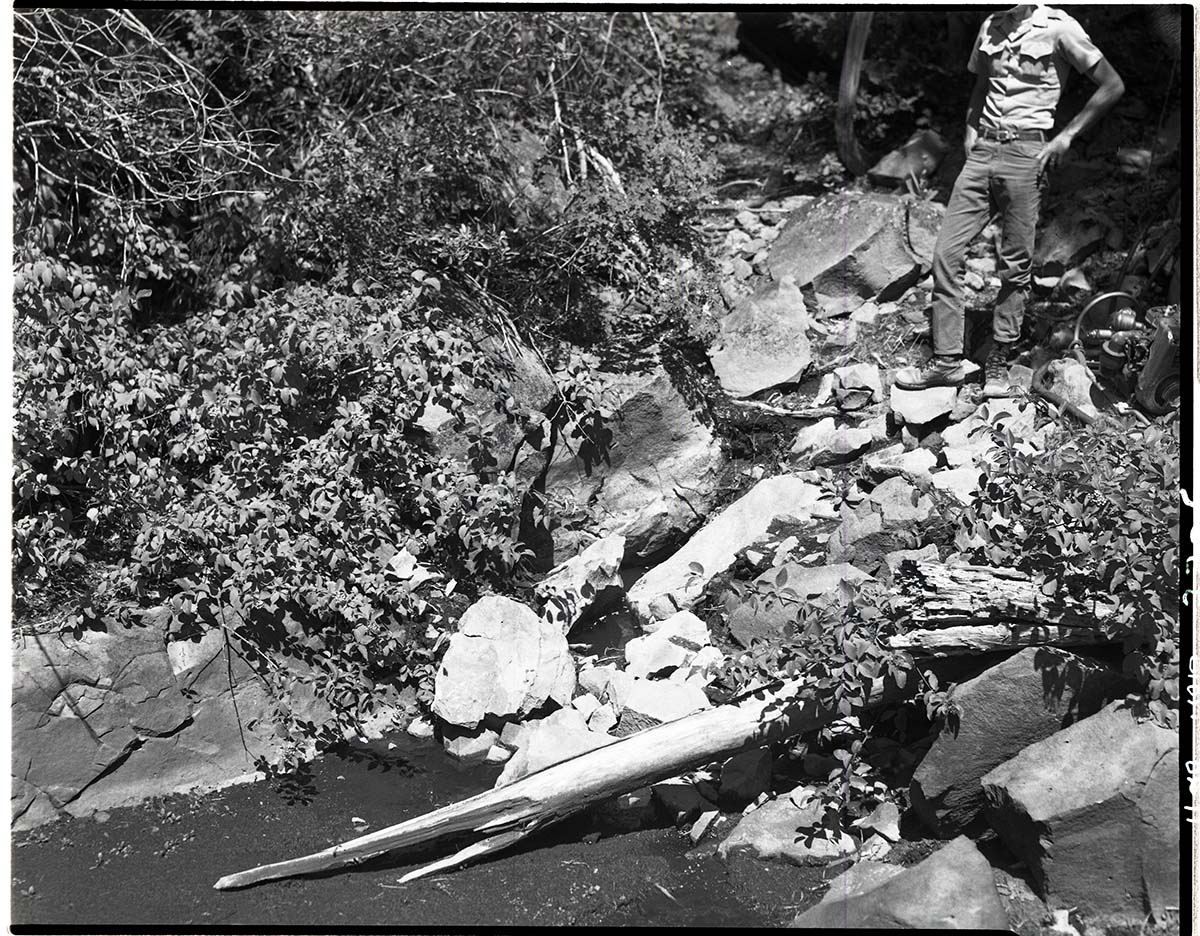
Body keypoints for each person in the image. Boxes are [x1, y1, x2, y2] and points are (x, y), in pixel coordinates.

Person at [896, 4, 1124, 395]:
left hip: (1027, 154)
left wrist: (1066, 136)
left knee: (1015, 263)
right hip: (983, 152)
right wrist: (971, 128)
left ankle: (1000, 361)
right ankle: (947, 362)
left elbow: (1112, 84)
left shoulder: (1060, 27)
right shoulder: (990, 25)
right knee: (945, 255)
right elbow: (981, 85)